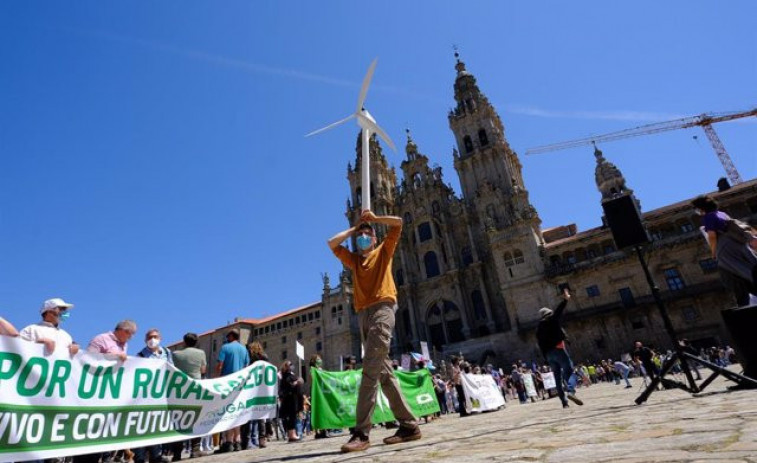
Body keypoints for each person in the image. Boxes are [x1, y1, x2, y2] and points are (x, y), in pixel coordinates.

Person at [328, 209, 420, 453]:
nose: (363, 238)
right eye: (360, 236)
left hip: (382, 309)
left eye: (367, 235)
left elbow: (399, 223)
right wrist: (355, 227)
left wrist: (375, 219)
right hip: (363, 314)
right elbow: (332, 243)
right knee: (384, 372)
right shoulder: (355, 261)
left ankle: (361, 432)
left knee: (369, 369)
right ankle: (409, 426)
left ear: (375, 239)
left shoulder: (384, 251)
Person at [692, 194, 757, 307]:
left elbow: (712, 236)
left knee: (731, 276)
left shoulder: (708, 217)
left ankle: (743, 304)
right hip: (739, 245)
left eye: (696, 209)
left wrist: (713, 252)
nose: (697, 211)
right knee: (745, 272)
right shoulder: (722, 214)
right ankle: (745, 301)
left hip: (725, 248)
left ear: (701, 208)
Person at [535, 288, 583, 408]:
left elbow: (540, 344)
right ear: (548, 314)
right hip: (558, 350)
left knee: (557, 377)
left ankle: (564, 402)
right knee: (570, 371)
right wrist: (565, 300)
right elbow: (558, 312)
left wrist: (545, 358)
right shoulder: (551, 320)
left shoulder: (539, 328)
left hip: (549, 355)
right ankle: (571, 391)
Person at [135, 329, 173, 463]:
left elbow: (172, 371)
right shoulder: (140, 356)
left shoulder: (167, 353)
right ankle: (139, 458)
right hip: (145, 397)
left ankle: (156, 456)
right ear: (145, 340)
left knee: (156, 426)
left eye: (155, 336)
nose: (153, 339)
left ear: (160, 338)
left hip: (161, 396)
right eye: (150, 337)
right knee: (142, 427)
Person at [171, 333, 208, 457]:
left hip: (180, 390)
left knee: (179, 420)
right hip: (195, 388)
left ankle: (177, 452)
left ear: (184, 342)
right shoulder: (201, 353)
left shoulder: (175, 354)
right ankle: (195, 449)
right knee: (196, 418)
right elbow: (203, 370)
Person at [216, 329, 249, 452]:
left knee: (228, 412)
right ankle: (238, 440)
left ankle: (229, 441)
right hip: (240, 384)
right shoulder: (244, 349)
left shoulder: (225, 348)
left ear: (230, 336)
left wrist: (217, 380)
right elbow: (246, 367)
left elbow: (220, 365)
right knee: (237, 411)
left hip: (227, 383)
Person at [246, 341, 269, 449]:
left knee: (250, 415)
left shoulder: (251, 359)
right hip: (262, 387)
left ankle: (249, 439)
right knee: (261, 415)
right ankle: (262, 440)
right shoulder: (264, 357)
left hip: (252, 387)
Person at [278, 360, 304, 442]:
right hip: (290, 399)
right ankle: (292, 435)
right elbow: (289, 385)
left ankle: (293, 434)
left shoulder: (289, 375)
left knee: (293, 417)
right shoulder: (286, 376)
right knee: (291, 417)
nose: (292, 366)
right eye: (290, 364)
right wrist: (296, 382)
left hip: (294, 398)